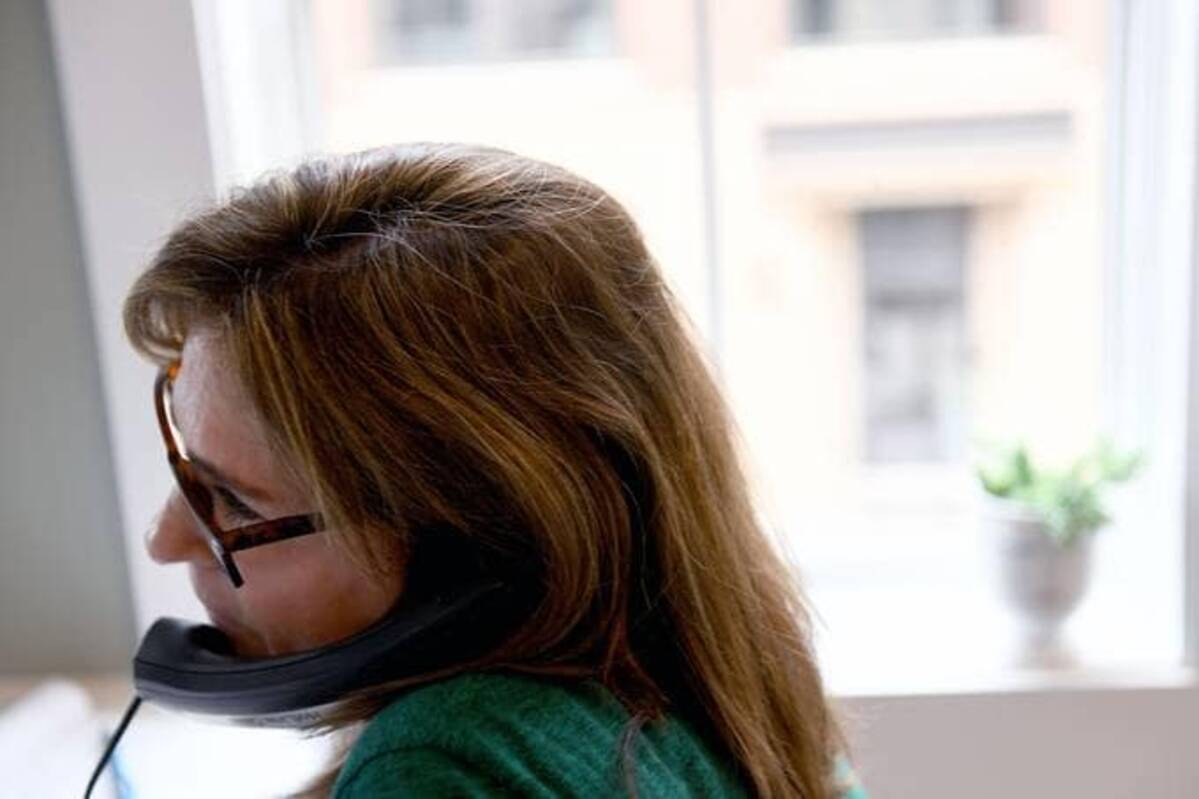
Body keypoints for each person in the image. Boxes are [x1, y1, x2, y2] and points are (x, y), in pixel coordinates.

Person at [122, 142, 866, 798]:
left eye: (234, 502)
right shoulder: (730, 679)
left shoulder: (446, 762)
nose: (165, 539)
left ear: (470, 550)